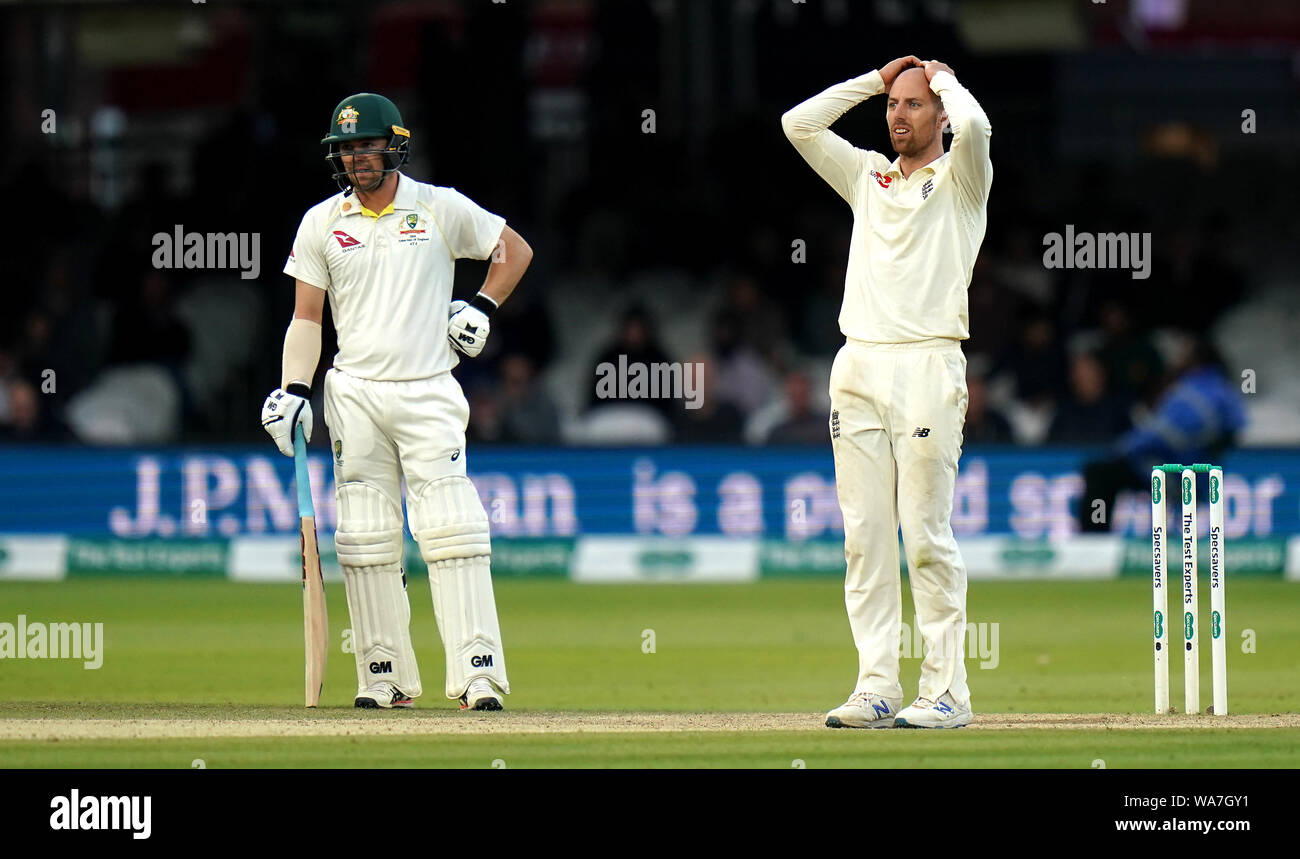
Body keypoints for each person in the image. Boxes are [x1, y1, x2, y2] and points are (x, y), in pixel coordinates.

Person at [260, 93, 533, 710]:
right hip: (354, 394)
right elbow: (307, 318)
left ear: (393, 145)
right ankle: (383, 675)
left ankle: (477, 673)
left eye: (366, 145)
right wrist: (294, 392)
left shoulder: (436, 206)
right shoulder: (321, 222)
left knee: (453, 531)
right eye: (346, 148)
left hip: (428, 387)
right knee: (363, 539)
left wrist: (482, 306)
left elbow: (513, 250)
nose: (356, 158)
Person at [783, 56, 992, 728]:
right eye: (893, 105)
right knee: (865, 537)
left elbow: (979, 128)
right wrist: (874, 79)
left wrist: (947, 80)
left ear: (938, 116)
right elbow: (798, 125)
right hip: (858, 367)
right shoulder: (867, 175)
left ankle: (948, 691)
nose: (899, 115)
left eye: (913, 104)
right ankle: (876, 684)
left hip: (930, 363)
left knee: (925, 535)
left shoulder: (962, 180)